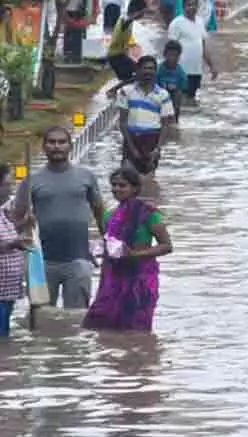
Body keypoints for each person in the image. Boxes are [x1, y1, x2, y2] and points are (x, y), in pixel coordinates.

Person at [12, 127, 107, 310]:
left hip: (79, 259)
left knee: (77, 317)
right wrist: (26, 225)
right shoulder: (31, 181)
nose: (57, 146)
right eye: (52, 142)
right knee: (42, 318)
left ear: (70, 147)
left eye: (62, 142)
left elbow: (99, 211)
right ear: (44, 147)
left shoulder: (86, 177)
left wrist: (108, 242)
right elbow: (16, 221)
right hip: (42, 262)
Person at [81, 167, 173, 332]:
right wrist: (98, 250)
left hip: (141, 277)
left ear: (135, 188)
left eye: (122, 185)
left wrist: (135, 254)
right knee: (100, 323)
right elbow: (110, 243)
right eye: (114, 185)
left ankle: (140, 355)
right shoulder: (109, 215)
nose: (116, 189)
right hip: (113, 276)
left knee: (137, 327)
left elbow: (166, 246)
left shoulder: (149, 214)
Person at [117, 56, 175, 176]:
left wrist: (158, 149)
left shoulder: (163, 95)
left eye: (152, 69)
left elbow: (166, 125)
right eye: (145, 68)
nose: (148, 72)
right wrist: (132, 148)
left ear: (155, 72)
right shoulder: (126, 92)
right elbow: (122, 122)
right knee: (127, 176)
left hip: (151, 140)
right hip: (131, 139)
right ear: (138, 70)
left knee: (148, 180)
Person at [166, 0, 218, 104]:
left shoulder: (200, 22)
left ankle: (192, 120)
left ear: (198, 6)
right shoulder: (176, 23)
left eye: (194, 5)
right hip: (181, 70)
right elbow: (170, 49)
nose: (192, 7)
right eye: (189, 5)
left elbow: (203, 47)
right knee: (180, 99)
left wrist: (212, 66)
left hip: (196, 70)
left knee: (191, 98)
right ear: (183, 7)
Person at [0, 164, 30, 337]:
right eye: (7, 185)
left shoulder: (5, 211)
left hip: (7, 290)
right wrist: (13, 244)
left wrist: (24, 225)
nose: (11, 190)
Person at [105, 0, 149, 96]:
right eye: (142, 12)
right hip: (115, 56)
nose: (143, 15)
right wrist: (133, 16)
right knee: (137, 75)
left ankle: (121, 93)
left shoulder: (127, 20)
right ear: (136, 11)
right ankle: (113, 91)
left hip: (120, 55)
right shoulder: (126, 20)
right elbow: (127, 22)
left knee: (135, 74)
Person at [156, 40, 189, 120]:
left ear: (179, 56)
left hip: (174, 98)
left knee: (177, 97)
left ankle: (175, 121)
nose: (173, 58)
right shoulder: (158, 70)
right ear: (165, 55)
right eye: (170, 55)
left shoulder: (181, 74)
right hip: (159, 95)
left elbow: (183, 91)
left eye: (176, 56)